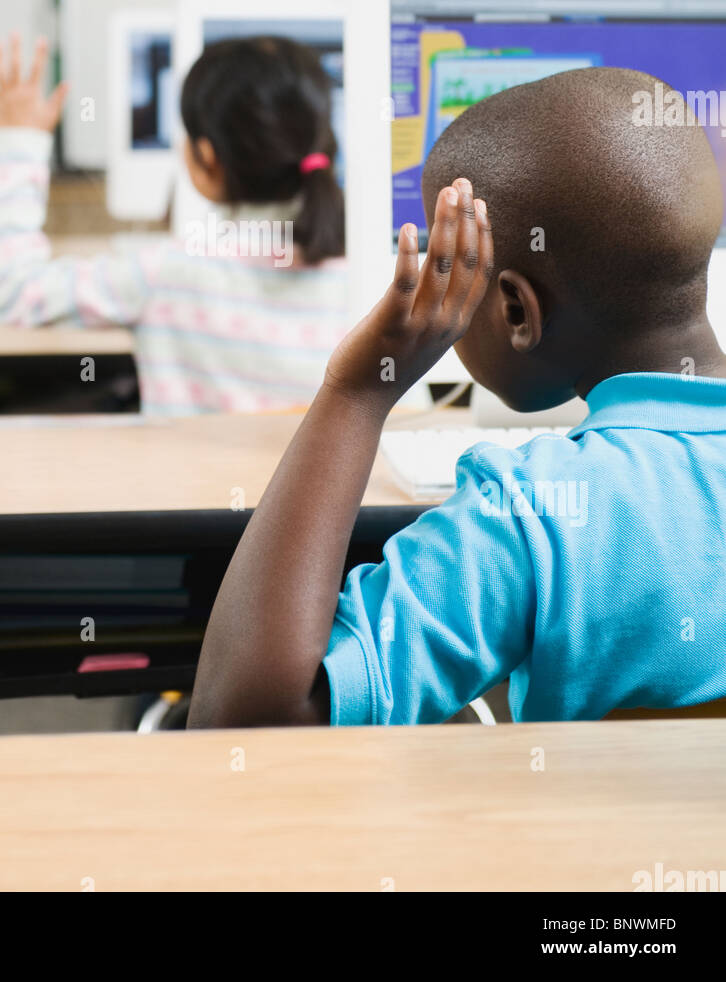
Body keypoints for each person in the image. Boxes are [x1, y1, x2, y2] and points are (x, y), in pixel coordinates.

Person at [188, 66, 726, 726]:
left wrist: (356, 393)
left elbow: (248, 722)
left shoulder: (533, 518)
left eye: (456, 271)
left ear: (515, 311)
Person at [0, 33, 348, 415]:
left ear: (205, 158)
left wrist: (19, 141)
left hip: (189, 478)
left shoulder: (167, 271)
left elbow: (17, 291)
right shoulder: (374, 279)